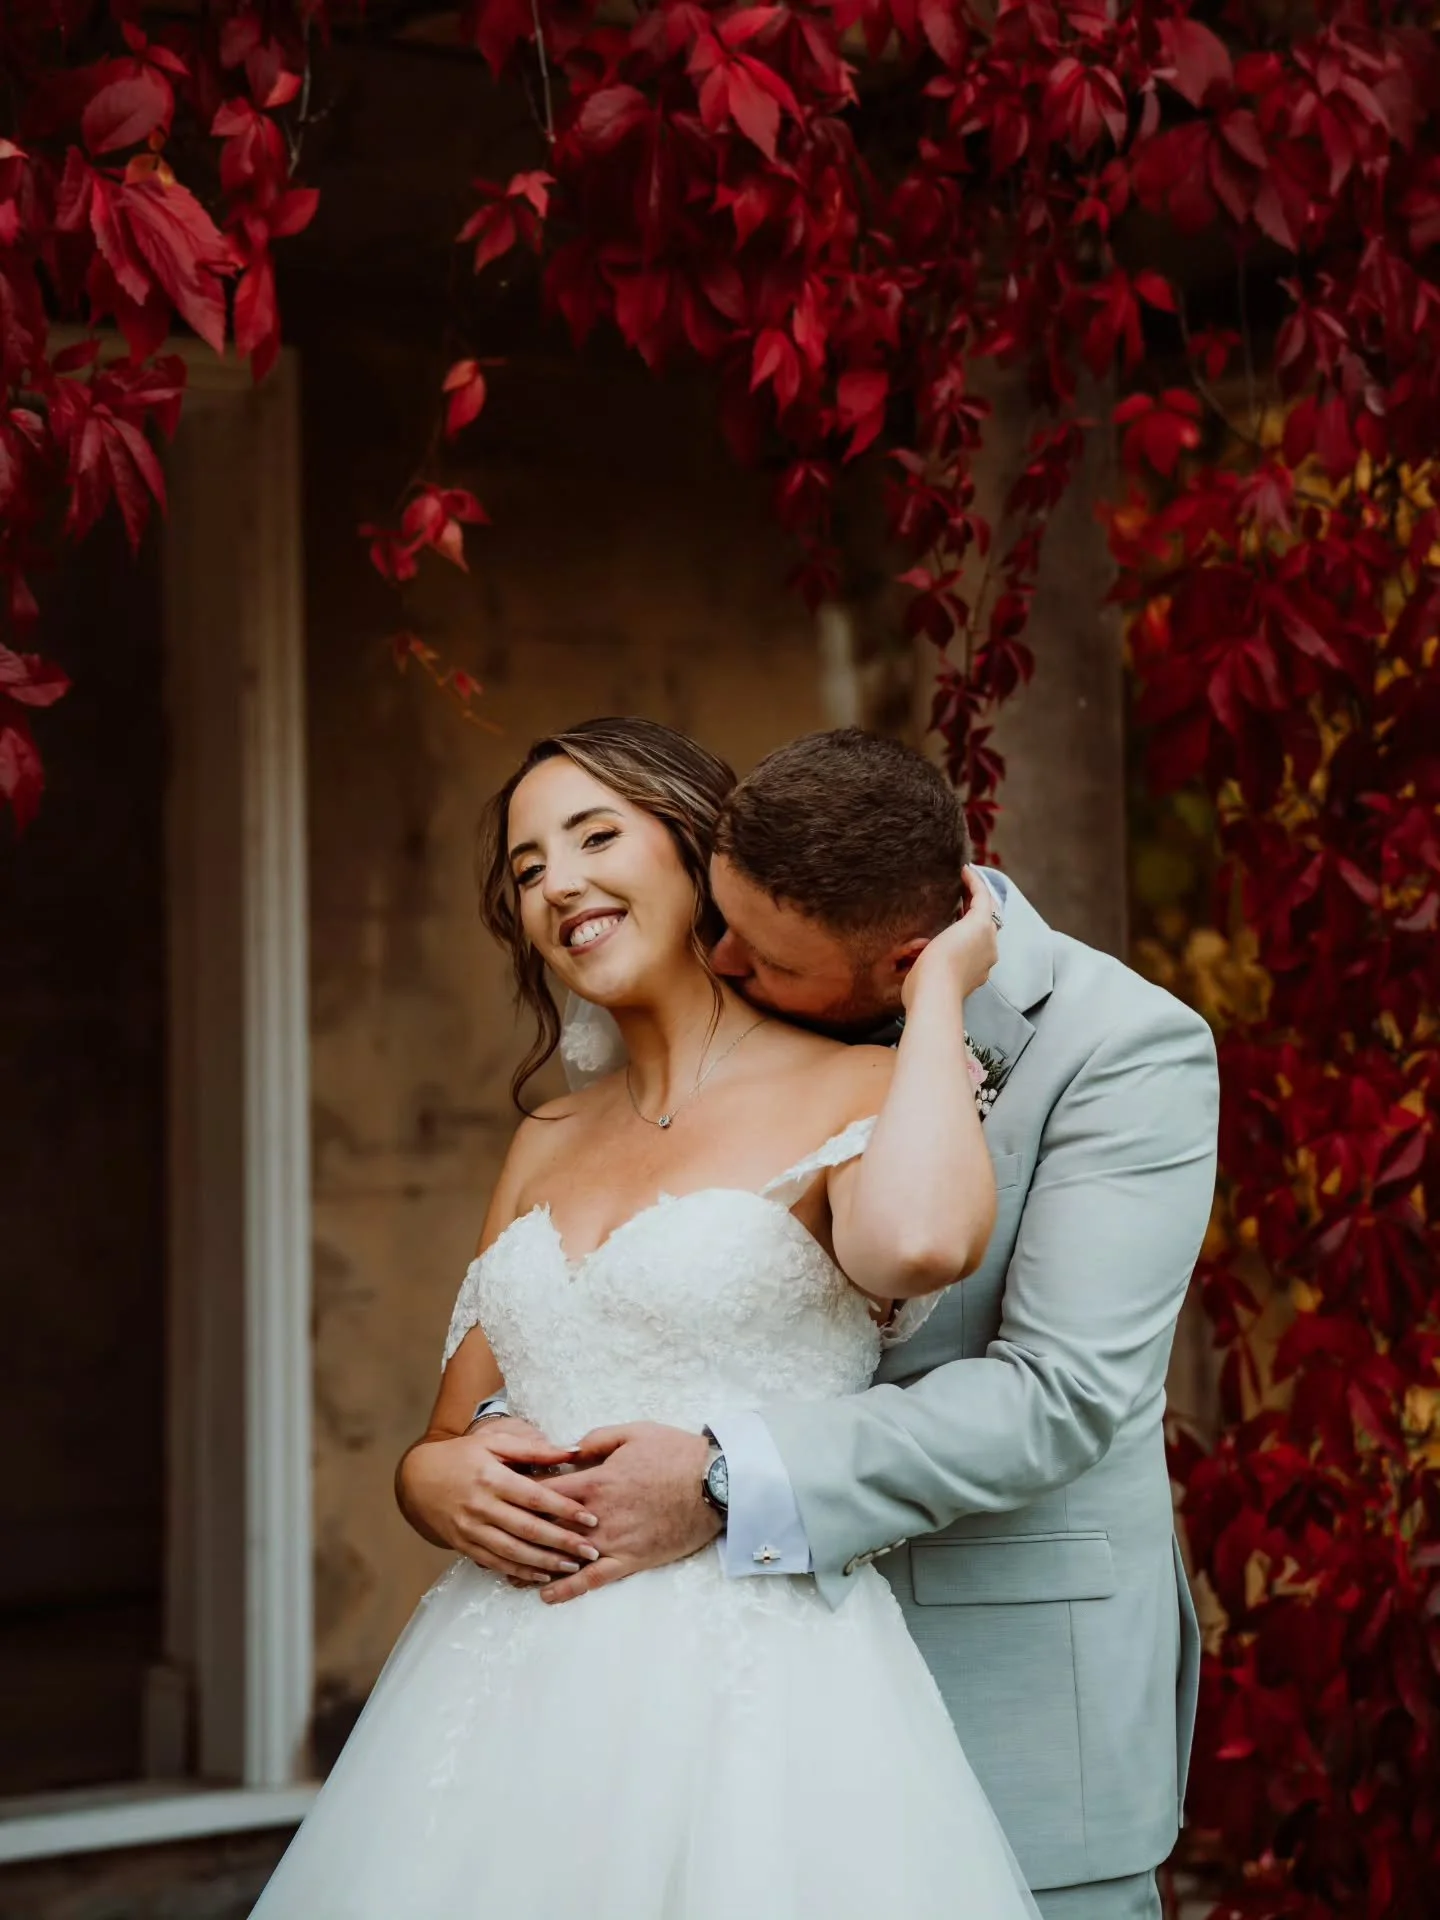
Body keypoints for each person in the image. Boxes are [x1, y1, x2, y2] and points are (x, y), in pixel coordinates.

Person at [404, 727, 1220, 1920]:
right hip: (633, 1716)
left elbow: (1060, 1397)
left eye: (763, 956)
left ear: (897, 964)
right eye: (529, 864)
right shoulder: (611, 1091)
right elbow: (562, 1343)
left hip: (998, 1689)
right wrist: (442, 1467)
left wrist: (724, 1476)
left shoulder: (1121, 1050)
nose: (725, 961)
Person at [251, 716, 1040, 1920]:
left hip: (754, 1700)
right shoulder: (546, 1137)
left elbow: (924, 1242)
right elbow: (451, 1428)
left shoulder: (864, 1085)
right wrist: (429, 1482)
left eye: (593, 835)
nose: (557, 882)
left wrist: (937, 984)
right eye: (526, 870)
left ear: (695, 853)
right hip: (498, 1705)